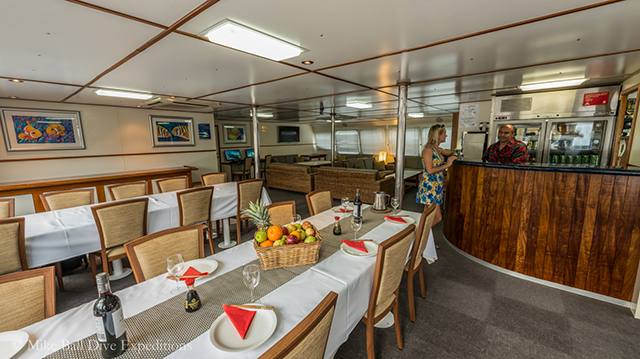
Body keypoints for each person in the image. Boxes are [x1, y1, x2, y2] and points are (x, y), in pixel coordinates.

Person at [416, 124, 457, 227]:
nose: (446, 136)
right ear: (438, 135)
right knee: (438, 218)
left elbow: (451, 153)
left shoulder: (438, 149)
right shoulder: (428, 150)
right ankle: (419, 236)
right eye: (445, 134)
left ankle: (424, 241)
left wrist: (455, 154)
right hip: (429, 187)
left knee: (426, 217)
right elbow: (429, 170)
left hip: (437, 186)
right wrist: (447, 165)